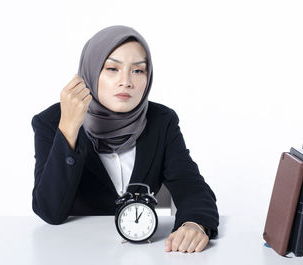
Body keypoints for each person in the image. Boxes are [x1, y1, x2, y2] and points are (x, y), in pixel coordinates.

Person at [31, 25, 219, 253]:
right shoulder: (52, 122)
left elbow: (191, 186)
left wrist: (194, 223)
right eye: (112, 68)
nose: (126, 81)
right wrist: (69, 129)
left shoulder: (161, 121)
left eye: (138, 71)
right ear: (90, 71)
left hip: (146, 252)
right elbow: (49, 211)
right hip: (75, 252)